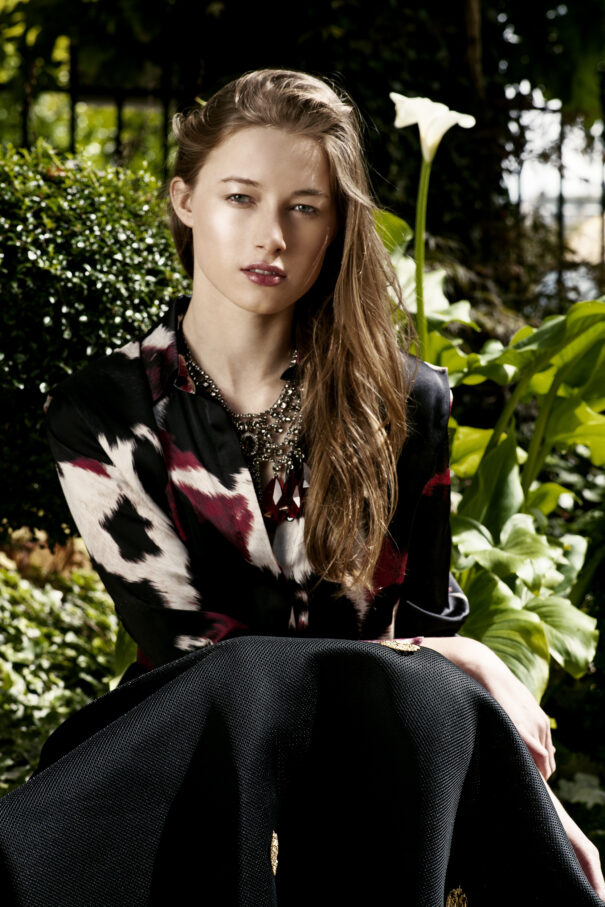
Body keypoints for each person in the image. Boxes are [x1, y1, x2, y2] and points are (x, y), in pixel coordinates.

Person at [0, 69, 603, 906]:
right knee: (296, 685)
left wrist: (518, 785)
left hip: (376, 755)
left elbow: (428, 623)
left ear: (335, 226)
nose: (270, 235)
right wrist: (442, 656)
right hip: (190, 748)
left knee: (424, 706)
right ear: (184, 201)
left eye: (303, 206)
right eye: (240, 197)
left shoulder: (409, 401)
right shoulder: (104, 411)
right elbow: (199, 657)